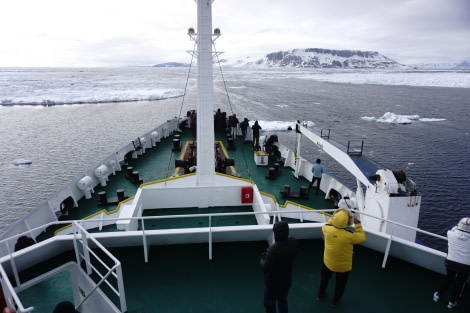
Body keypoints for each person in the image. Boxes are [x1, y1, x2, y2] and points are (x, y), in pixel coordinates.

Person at [317, 203, 366, 307]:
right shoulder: (350, 236)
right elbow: (362, 237)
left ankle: (320, 295)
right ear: (348, 222)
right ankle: (334, 302)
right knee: (340, 286)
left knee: (324, 280)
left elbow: (330, 223)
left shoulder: (326, 229)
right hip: (343, 267)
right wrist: (357, 224)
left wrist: (336, 218)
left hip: (328, 262)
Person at [260, 221, 297, 313]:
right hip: (286, 281)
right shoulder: (293, 242)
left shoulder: (272, 250)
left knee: (269, 303)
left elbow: (265, 267)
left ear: (275, 234)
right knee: (283, 301)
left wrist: (262, 258)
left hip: (272, 284)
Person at [433, 217, 470, 309]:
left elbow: (454, 228)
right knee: (459, 283)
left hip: (450, 262)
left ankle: (438, 294)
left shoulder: (450, 234)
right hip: (465, 266)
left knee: (449, 279)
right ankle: (452, 302)